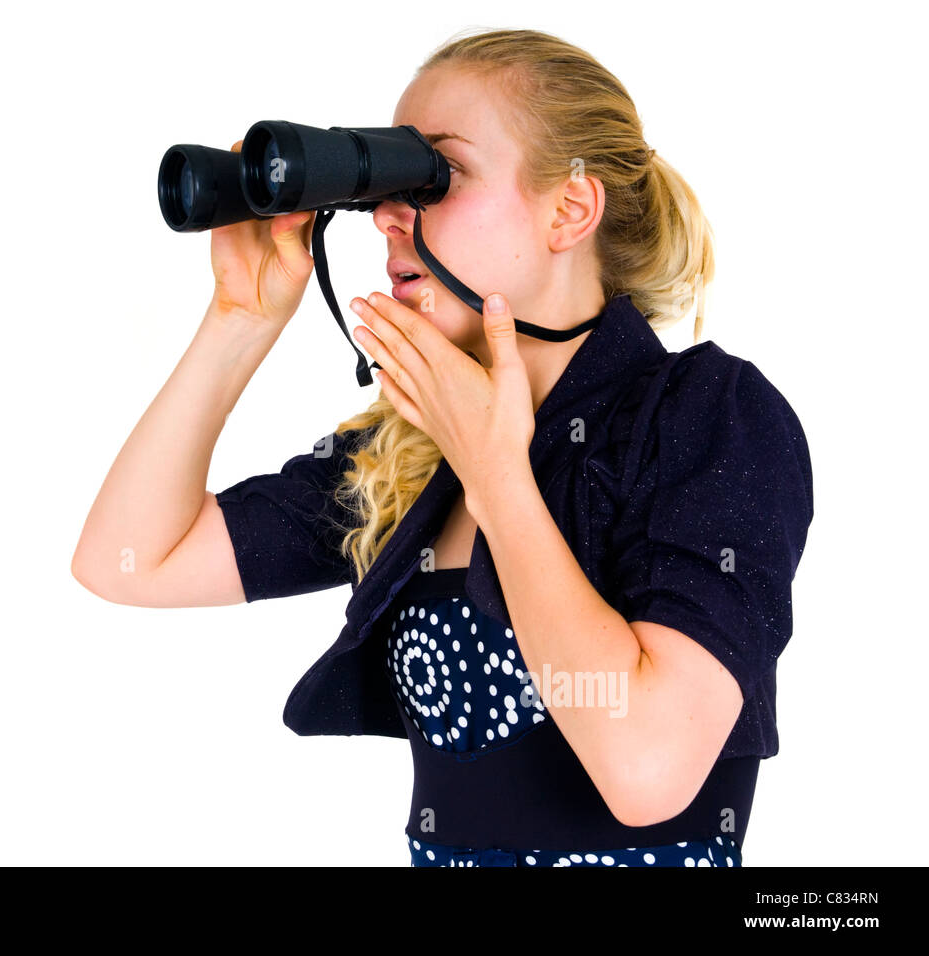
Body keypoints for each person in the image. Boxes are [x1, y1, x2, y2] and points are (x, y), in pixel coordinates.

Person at [71, 28, 814, 867]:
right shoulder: (412, 449)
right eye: (387, 182)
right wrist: (239, 320)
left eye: (436, 177)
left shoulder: (708, 414)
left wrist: (497, 473)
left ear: (569, 209)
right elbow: (129, 560)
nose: (389, 213)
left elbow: (646, 768)